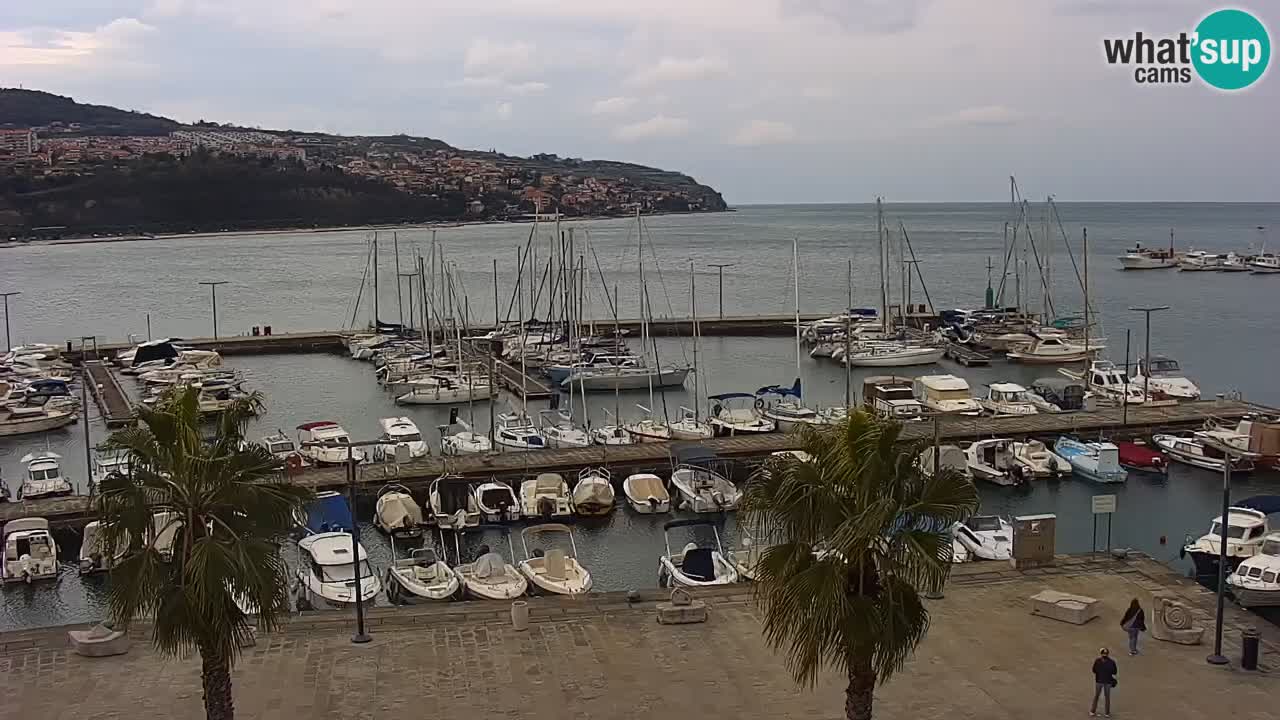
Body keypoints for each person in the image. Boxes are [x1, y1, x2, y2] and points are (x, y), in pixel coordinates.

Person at [1090, 647, 1118, 717]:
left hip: (1099, 681)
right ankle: (1107, 713)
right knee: (1107, 697)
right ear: (1108, 654)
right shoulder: (1112, 662)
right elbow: (1115, 672)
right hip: (1108, 681)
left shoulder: (1097, 661)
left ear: (1101, 654)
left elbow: (1093, 670)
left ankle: (1092, 711)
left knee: (1096, 696)